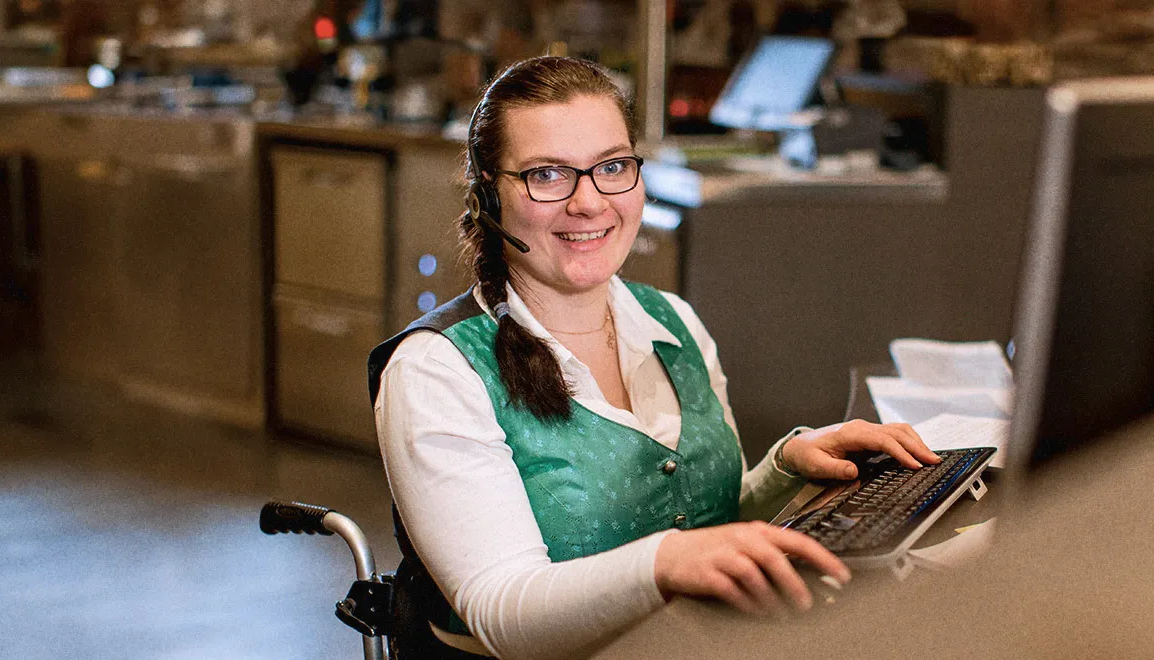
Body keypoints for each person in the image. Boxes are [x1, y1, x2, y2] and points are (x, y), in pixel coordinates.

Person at [369, 56, 940, 660]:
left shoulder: (673, 321)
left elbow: (703, 523)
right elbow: (501, 612)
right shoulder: (436, 369)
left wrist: (787, 469)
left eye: (612, 166)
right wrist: (663, 562)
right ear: (489, 192)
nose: (588, 202)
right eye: (547, 175)